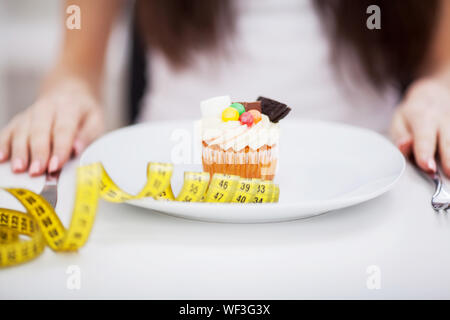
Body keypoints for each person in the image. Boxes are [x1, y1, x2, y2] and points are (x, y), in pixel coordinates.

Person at [1, 0, 449, 177]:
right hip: (170, 189)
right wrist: (67, 98)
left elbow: (442, 66)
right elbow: (76, 69)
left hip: (367, 188)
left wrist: (437, 92)